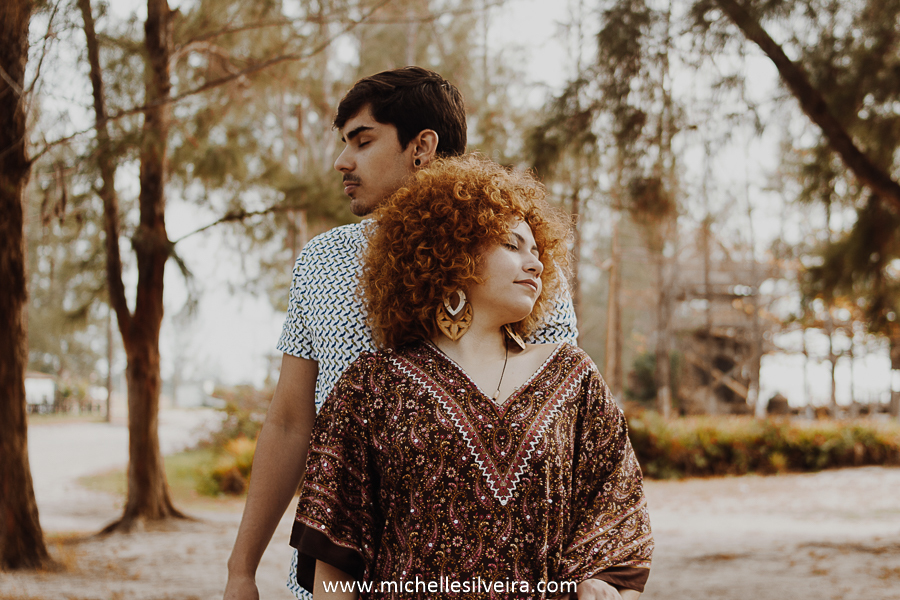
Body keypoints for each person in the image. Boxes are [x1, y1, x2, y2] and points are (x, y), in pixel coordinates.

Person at [223, 67, 578, 600]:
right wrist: (241, 569)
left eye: (362, 141)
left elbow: (563, 434)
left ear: (423, 147)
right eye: (344, 143)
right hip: (339, 570)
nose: (343, 161)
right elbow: (290, 420)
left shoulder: (521, 266)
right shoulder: (322, 263)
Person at [291, 155, 653, 600]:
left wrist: (600, 586)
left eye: (536, 250)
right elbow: (334, 558)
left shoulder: (573, 377)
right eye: (511, 245)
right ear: (452, 249)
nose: (535, 264)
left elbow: (618, 521)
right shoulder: (370, 386)